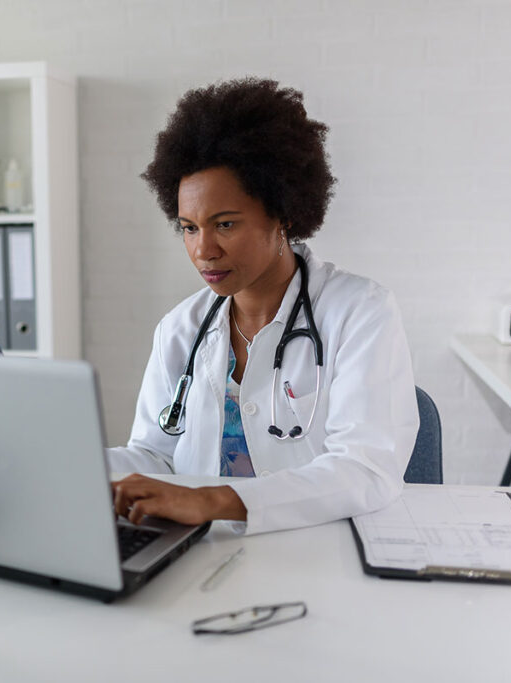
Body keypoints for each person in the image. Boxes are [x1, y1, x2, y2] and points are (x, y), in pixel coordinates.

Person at [108, 78, 419, 535]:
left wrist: (212, 500)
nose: (203, 249)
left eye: (225, 224)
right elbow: (156, 455)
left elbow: (366, 469)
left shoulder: (360, 313)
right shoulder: (180, 329)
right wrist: (69, 463)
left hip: (321, 550)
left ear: (283, 213)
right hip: (202, 551)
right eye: (189, 228)